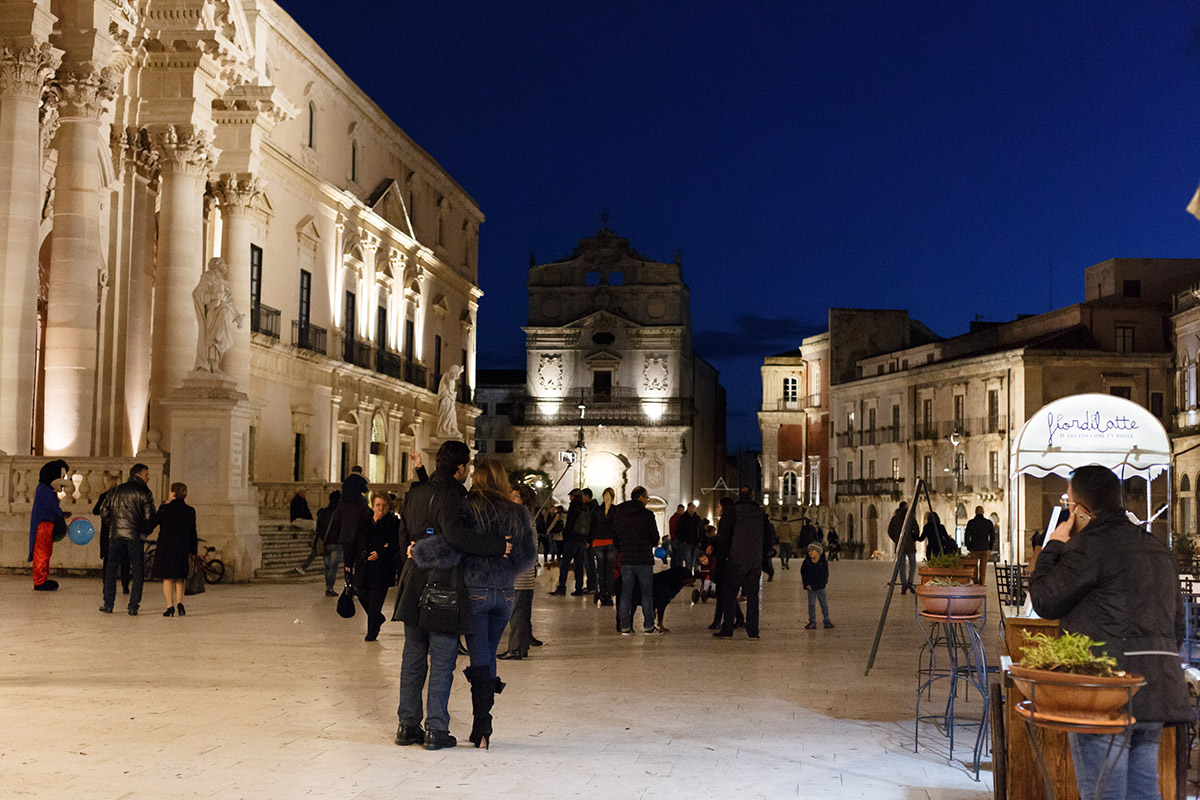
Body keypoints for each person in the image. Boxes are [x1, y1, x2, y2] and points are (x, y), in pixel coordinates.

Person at [1029, 465, 1190, 800]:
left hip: (1106, 694)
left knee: (1105, 792)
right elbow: (1178, 628)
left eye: (1068, 504)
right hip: (1157, 687)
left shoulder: (1086, 548)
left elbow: (1044, 600)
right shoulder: (1158, 549)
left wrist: (1054, 546)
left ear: (1079, 510)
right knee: (1144, 788)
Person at [392, 440, 510, 751]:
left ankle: (406, 725)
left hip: (412, 579)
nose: (469, 471)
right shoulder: (456, 496)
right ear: (460, 468)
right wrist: (499, 546)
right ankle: (435, 729)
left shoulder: (415, 493)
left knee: (413, 656)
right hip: (443, 583)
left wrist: (414, 550)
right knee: (443, 659)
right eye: (468, 465)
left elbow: (404, 531)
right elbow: (459, 537)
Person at [414, 460, 535, 748]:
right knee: (489, 655)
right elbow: (528, 553)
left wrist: (419, 552)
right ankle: (482, 724)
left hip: (475, 593)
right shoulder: (516, 511)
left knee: (480, 656)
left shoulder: (470, 508)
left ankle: (483, 726)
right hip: (505, 594)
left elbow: (452, 544)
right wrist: (505, 566)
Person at [714, 486, 773, 640]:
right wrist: (762, 555)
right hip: (754, 561)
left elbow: (725, 536)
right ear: (753, 496)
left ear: (739, 496)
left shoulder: (733, 511)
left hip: (736, 559)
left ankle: (727, 630)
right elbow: (769, 537)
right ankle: (753, 631)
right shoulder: (760, 513)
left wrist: (723, 557)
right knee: (753, 596)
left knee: (730, 594)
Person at [99, 463, 156, 615]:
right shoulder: (144, 493)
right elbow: (150, 517)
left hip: (116, 535)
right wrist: (143, 531)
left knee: (111, 570)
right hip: (134, 536)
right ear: (138, 475)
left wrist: (114, 525)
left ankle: (108, 603)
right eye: (146, 474)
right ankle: (133, 605)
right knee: (137, 571)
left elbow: (103, 511)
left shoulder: (116, 490)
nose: (148, 477)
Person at [349, 493, 399, 642]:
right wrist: (348, 562)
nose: (381, 508)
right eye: (378, 505)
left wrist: (381, 552)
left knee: (376, 602)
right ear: (372, 506)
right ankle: (378, 618)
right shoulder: (364, 520)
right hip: (363, 566)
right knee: (362, 594)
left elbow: (395, 544)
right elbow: (355, 541)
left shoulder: (392, 522)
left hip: (381, 569)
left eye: (384, 505)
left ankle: (372, 632)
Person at [500, 484, 541, 660]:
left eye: (515, 496)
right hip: (525, 571)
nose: (511, 498)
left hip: (520, 572)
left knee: (516, 611)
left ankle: (515, 648)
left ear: (523, 499)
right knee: (522, 611)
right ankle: (522, 646)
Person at [612, 486, 660, 635]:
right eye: (646, 498)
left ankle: (625, 627)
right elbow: (654, 537)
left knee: (626, 593)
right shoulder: (647, 515)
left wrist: (623, 548)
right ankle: (648, 626)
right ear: (640, 498)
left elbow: (615, 536)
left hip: (626, 559)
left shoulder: (619, 514)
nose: (647, 501)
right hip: (644, 559)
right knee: (646, 593)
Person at [152, 482, 197, 617]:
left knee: (168, 578)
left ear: (173, 493)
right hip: (182, 547)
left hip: (166, 547)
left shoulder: (165, 509)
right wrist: (193, 550)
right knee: (180, 577)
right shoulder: (190, 510)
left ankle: (169, 606)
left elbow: (153, 522)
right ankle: (180, 603)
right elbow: (192, 532)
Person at [192, 256, 243, 372]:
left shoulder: (225, 282)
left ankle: (214, 364)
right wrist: (214, 296)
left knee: (220, 337)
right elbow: (198, 293)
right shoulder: (208, 276)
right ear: (215, 264)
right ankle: (211, 364)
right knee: (212, 338)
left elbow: (230, 302)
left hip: (225, 312)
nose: (225, 265)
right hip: (213, 312)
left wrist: (237, 316)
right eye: (222, 263)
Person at [29, 459, 69, 591]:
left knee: (46, 553)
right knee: (41, 553)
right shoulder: (43, 489)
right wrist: (60, 513)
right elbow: (50, 506)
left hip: (47, 525)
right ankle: (39, 581)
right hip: (43, 526)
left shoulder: (48, 489)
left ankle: (42, 578)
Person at [93, 475, 129, 595]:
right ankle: (125, 585)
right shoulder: (124, 497)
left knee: (107, 560)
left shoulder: (104, 496)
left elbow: (95, 511)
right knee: (124, 560)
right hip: (121, 530)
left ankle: (106, 585)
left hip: (107, 531)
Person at [550, 489, 590, 596]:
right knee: (579, 565)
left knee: (565, 563)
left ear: (573, 496)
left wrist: (566, 535)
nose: (569, 498)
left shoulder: (574, 505)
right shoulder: (585, 507)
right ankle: (579, 588)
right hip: (581, 539)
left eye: (570, 496)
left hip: (572, 539)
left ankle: (562, 587)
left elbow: (570, 522)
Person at [295, 490, 339, 578]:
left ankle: (304, 568)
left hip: (323, 539)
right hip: (333, 541)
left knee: (318, 555)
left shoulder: (324, 511)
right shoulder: (339, 513)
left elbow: (319, 526)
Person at [591, 487, 618, 606]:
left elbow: (591, 526)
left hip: (598, 542)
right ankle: (610, 596)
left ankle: (602, 594)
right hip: (611, 542)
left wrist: (590, 540)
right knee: (610, 571)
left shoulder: (596, 510)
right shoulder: (616, 510)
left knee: (600, 570)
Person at [888, 502, 920, 594]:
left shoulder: (894, 519)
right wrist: (913, 538)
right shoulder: (910, 518)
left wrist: (897, 540)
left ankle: (904, 585)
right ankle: (910, 582)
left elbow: (890, 532)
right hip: (910, 545)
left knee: (902, 566)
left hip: (900, 546)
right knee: (912, 564)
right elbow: (916, 530)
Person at [800, 541, 834, 630]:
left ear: (818, 552)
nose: (811, 552)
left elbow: (824, 575)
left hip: (820, 587)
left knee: (823, 603)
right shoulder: (806, 562)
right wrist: (807, 584)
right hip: (810, 588)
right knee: (811, 604)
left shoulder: (823, 562)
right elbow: (804, 573)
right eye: (809, 550)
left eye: (813, 550)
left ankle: (826, 620)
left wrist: (819, 585)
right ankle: (812, 621)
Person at [963, 506, 995, 586]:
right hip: (984, 548)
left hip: (974, 548)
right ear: (983, 512)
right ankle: (982, 583)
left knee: (974, 567)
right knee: (983, 569)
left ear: (975, 512)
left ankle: (975, 582)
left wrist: (968, 546)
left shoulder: (971, 523)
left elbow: (966, 535)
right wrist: (990, 547)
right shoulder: (988, 523)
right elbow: (992, 536)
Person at [674, 503, 702, 574]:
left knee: (694, 560)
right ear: (688, 508)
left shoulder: (697, 518)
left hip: (695, 542)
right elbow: (678, 530)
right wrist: (682, 540)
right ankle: (688, 576)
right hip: (687, 542)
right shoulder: (682, 518)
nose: (692, 509)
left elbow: (700, 530)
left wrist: (700, 540)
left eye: (693, 508)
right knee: (688, 561)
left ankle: (694, 575)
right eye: (691, 508)